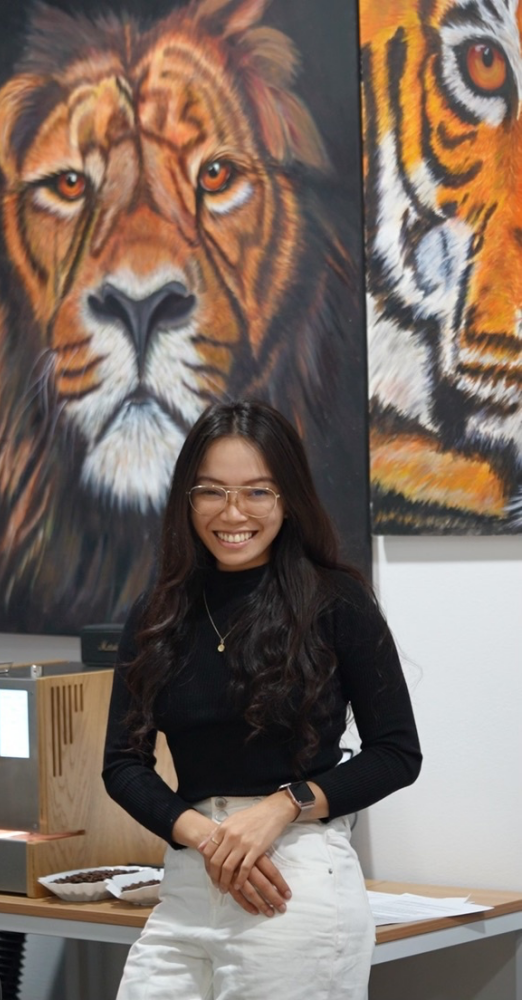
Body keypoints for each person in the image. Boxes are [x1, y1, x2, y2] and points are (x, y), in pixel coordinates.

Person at [102, 399, 422, 1000]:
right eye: (212, 492)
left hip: (294, 880)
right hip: (190, 879)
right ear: (187, 499)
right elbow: (122, 764)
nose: (233, 513)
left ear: (287, 500)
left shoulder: (336, 601)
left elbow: (397, 753)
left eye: (257, 493)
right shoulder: (158, 613)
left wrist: (282, 806)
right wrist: (203, 834)